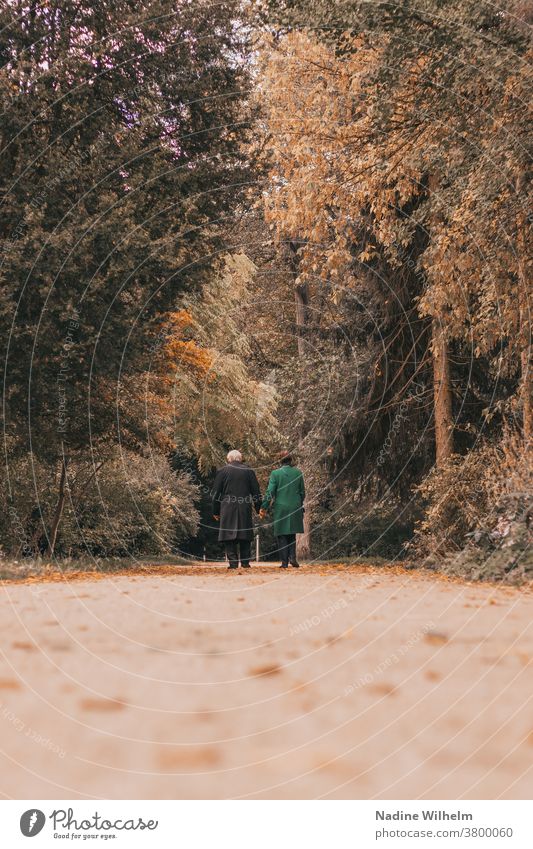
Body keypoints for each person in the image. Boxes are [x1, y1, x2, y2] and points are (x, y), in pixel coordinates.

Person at [212, 450, 262, 569]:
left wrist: (215, 510)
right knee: (245, 534)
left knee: (229, 535)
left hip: (227, 506)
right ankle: (245, 563)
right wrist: (258, 508)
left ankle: (233, 563)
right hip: (244, 505)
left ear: (229, 459)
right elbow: (256, 491)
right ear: (240, 458)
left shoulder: (222, 471)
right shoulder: (248, 471)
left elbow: (215, 493)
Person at [260, 451, 305, 568]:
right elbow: (302, 492)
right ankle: (293, 558)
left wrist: (264, 507)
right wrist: (299, 503)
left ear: (280, 461)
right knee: (292, 533)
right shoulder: (298, 472)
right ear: (291, 461)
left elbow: (270, 492)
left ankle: (284, 562)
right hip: (295, 506)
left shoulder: (275, 473)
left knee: (282, 535)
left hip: (281, 507)